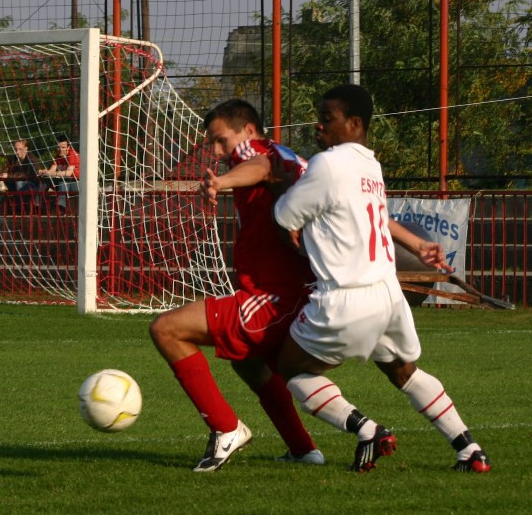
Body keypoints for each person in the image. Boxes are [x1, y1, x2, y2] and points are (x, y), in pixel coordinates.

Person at [269, 83, 490, 473]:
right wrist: (418, 244)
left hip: (346, 297)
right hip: (388, 294)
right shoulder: (370, 166)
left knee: (288, 368)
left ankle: (365, 428)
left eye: (327, 118)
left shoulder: (329, 164)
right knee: (404, 372)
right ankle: (469, 449)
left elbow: (285, 215)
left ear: (354, 123)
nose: (318, 126)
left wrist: (283, 184)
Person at [149, 99, 324, 472]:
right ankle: (302, 449)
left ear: (247, 130)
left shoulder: (259, 150)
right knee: (248, 363)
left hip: (276, 298)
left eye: (220, 141)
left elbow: (260, 166)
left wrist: (222, 181)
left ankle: (226, 429)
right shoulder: (283, 155)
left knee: (167, 329)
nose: (215, 151)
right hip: (288, 292)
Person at [0, 139, 41, 210]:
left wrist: (9, 175)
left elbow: (29, 174)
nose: (17, 151)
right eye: (15, 149)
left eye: (20, 149)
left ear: (26, 148)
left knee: (20, 182)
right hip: (14, 184)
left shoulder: (31, 159)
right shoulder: (13, 159)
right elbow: (5, 169)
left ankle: (20, 208)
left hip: (31, 185)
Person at [38, 135, 80, 213]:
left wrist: (52, 173)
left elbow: (68, 173)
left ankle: (61, 208)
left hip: (76, 183)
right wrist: (44, 172)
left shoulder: (72, 155)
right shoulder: (57, 156)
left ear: (68, 147)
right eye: (58, 147)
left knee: (63, 183)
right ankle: (38, 205)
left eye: (63, 147)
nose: (60, 150)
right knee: (45, 181)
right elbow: (52, 170)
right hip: (64, 182)